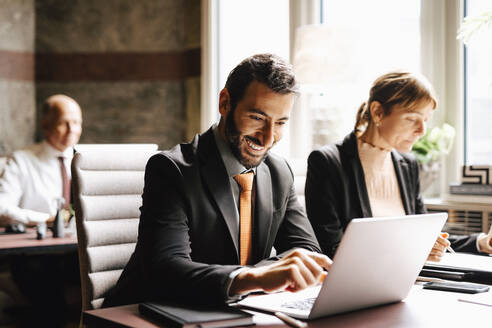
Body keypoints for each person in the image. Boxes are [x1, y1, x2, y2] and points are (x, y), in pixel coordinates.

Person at [103, 54, 332, 307]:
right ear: (225, 103)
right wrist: (255, 276)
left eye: (280, 123)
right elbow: (166, 269)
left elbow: (308, 252)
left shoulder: (279, 172)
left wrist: (258, 276)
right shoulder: (171, 170)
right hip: (145, 312)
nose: (268, 138)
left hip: (226, 312)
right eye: (257, 118)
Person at [305, 71, 492, 261]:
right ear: (377, 112)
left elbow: (425, 238)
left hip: (406, 280)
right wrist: (411, 251)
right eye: (412, 119)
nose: (421, 131)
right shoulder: (327, 163)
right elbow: (331, 249)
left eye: (425, 121)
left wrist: (481, 242)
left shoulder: (407, 165)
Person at [0, 94, 82, 228]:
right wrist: (48, 219)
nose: (71, 130)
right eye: (63, 123)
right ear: (45, 125)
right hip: (37, 241)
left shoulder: (86, 160)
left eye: (76, 122)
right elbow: (1, 208)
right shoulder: (20, 161)